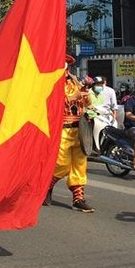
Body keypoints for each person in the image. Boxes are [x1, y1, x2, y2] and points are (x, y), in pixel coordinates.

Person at [44, 55, 94, 213]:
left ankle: (78, 198)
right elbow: (51, 103)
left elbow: (88, 103)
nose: (67, 70)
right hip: (61, 128)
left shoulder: (75, 82)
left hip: (79, 128)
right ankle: (46, 186)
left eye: (67, 67)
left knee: (80, 165)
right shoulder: (51, 83)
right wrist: (74, 97)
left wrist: (85, 92)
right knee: (62, 164)